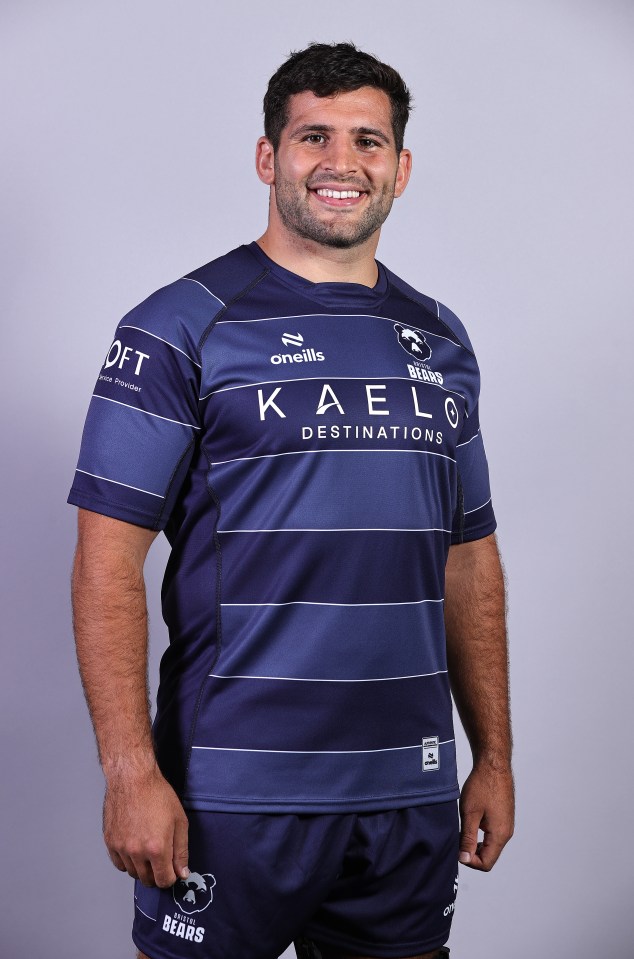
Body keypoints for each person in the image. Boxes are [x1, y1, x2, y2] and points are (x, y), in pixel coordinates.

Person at [69, 41, 514, 959]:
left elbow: (470, 562)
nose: (342, 161)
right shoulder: (178, 326)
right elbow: (106, 563)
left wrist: (494, 757)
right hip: (229, 792)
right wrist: (129, 772)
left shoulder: (442, 339)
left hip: (408, 790)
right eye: (315, 136)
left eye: (368, 140)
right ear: (268, 157)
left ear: (400, 168)